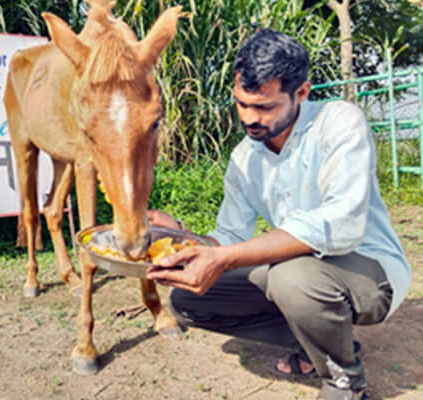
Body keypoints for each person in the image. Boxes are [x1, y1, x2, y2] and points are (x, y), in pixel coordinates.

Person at [146, 28, 411, 400]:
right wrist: (183, 239)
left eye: (265, 107)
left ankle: (344, 382)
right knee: (191, 300)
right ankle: (323, 340)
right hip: (303, 276)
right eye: (241, 103)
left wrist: (224, 257)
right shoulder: (244, 158)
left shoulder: (339, 123)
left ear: (300, 92)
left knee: (291, 277)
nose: (250, 118)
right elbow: (231, 236)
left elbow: (341, 223)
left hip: (370, 271)